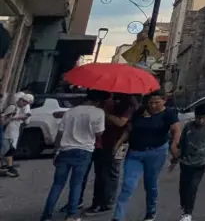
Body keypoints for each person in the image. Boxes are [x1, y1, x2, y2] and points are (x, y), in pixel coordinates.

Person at [112, 91, 180, 221]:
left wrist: (174, 145)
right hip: (135, 153)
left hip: (156, 152)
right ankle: (117, 217)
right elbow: (129, 129)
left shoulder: (169, 114)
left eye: (157, 102)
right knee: (128, 184)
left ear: (164, 100)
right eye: (151, 102)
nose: (153, 106)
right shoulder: (140, 111)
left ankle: (151, 211)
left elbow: (176, 129)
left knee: (151, 184)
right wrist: (118, 143)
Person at [41, 91, 106, 221]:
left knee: (57, 184)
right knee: (76, 184)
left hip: (65, 150)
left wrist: (56, 150)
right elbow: (99, 133)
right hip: (84, 150)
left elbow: (60, 132)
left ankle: (46, 216)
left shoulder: (70, 111)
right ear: (98, 101)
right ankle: (71, 215)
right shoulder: (98, 112)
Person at [82, 93, 135, 215]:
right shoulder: (106, 102)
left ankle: (106, 203)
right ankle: (98, 202)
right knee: (100, 173)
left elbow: (121, 123)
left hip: (118, 142)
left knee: (111, 173)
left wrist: (105, 113)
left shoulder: (128, 105)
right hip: (102, 142)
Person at [172, 103, 205, 221]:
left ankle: (187, 213)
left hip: (201, 162)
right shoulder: (189, 126)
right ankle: (184, 205)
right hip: (186, 161)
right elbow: (182, 143)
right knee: (183, 187)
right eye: (198, 118)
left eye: (204, 118)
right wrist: (175, 158)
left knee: (193, 187)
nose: (201, 120)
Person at [1, 91, 33, 177]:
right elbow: (2, 121)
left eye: (27, 104)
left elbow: (25, 119)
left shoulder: (21, 109)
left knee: (10, 152)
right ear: (21, 100)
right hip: (7, 134)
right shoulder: (12, 107)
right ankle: (9, 167)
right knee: (5, 152)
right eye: (24, 102)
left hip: (13, 134)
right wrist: (14, 117)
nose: (25, 105)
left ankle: (9, 167)